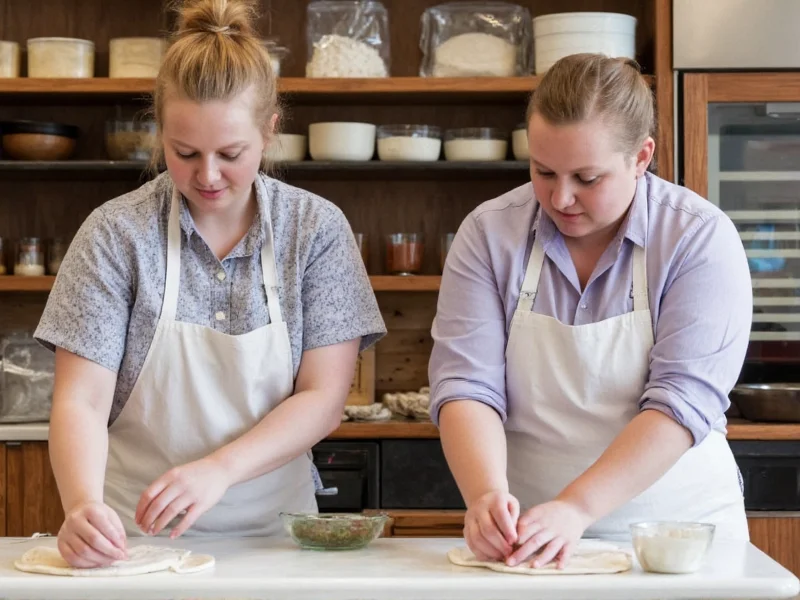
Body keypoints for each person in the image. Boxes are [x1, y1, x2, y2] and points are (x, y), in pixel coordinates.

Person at [35, 0, 385, 568]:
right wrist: (80, 506)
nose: (208, 176)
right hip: (131, 540)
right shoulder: (115, 233)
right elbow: (80, 399)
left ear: (270, 132)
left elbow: (323, 399)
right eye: (185, 152)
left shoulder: (315, 230)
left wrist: (218, 470)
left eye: (231, 153)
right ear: (160, 129)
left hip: (280, 540)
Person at [428, 53, 752, 570]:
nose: (561, 197)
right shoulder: (490, 235)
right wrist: (486, 496)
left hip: (677, 537)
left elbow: (681, 401)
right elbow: (467, 384)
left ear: (642, 157)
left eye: (587, 177)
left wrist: (577, 506)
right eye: (543, 171)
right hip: (533, 537)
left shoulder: (698, 239)